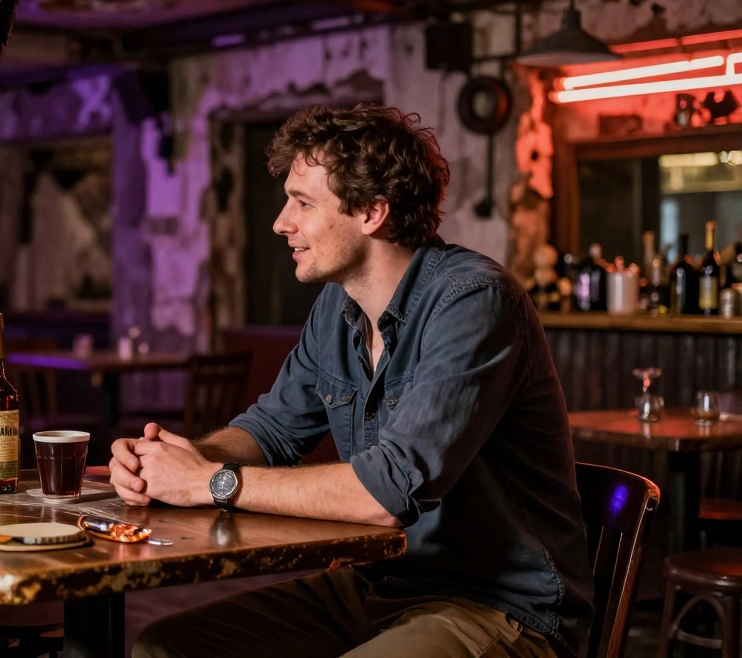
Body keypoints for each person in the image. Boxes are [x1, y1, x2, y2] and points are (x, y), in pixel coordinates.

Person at [111, 104, 592, 658]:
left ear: (371, 212)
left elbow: (387, 492)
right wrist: (173, 463)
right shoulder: (336, 309)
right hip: (381, 583)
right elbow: (270, 431)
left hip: (498, 608)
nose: (280, 222)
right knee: (164, 647)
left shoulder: (473, 301)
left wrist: (209, 482)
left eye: (303, 203)